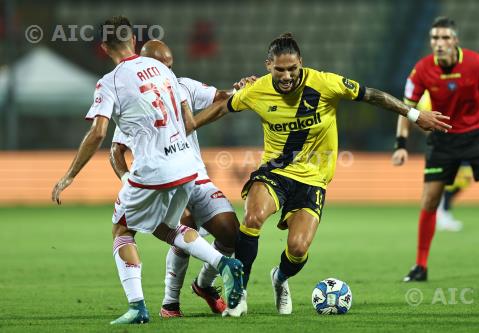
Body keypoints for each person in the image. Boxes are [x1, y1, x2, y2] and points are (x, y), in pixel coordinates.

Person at [192, 32, 450, 316]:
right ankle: (238, 293)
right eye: (280, 69)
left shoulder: (326, 83)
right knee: (252, 218)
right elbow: (221, 109)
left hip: (313, 178)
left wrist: (414, 115)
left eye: (293, 68)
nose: (288, 75)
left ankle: (280, 279)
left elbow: (373, 96)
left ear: (301, 62)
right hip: (275, 171)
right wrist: (188, 127)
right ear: (268, 65)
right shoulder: (256, 90)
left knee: (298, 248)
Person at [51, 16, 244, 324]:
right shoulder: (166, 73)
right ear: (134, 40)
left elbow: (99, 133)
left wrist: (70, 174)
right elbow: (190, 117)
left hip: (154, 169)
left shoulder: (110, 81)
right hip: (187, 167)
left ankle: (139, 307)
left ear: (103, 48)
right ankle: (222, 265)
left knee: (122, 229)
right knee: (167, 228)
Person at [110, 39, 246, 317]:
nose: (166, 72)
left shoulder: (181, 84)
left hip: (195, 175)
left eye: (170, 66)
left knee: (231, 231)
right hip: (164, 180)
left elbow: (221, 97)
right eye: (162, 66)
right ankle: (170, 303)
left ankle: (204, 285)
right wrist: (125, 179)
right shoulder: (136, 97)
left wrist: (242, 90)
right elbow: (116, 149)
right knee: (179, 225)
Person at [392, 16, 479, 282]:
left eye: (444, 38)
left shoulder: (477, 63)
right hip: (444, 141)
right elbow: (406, 109)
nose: (439, 43)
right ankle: (420, 266)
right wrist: (401, 144)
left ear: (455, 40)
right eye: (434, 39)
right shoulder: (422, 70)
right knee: (429, 200)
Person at [414, 90, 471, 232]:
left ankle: (442, 210)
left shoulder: (450, 85)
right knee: (445, 178)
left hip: (460, 138)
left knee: (465, 177)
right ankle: (443, 213)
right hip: (442, 142)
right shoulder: (426, 95)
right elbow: (420, 119)